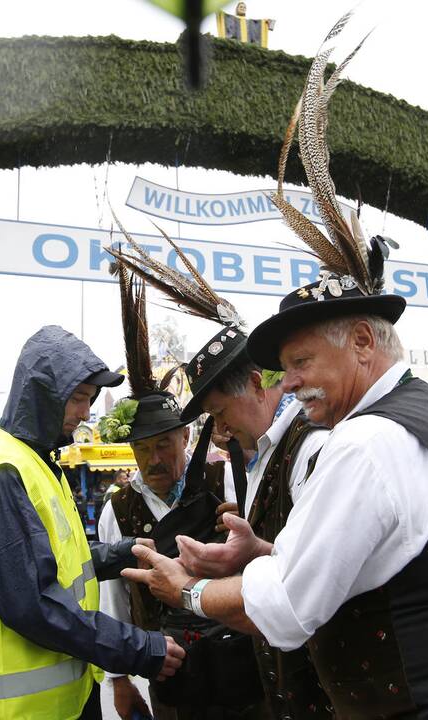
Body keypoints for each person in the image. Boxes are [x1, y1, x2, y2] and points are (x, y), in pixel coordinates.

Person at [124, 25, 428, 714]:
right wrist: (260, 554)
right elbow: (362, 559)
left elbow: (290, 610)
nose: (287, 382)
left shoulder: (367, 440)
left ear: (362, 341)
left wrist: (190, 591)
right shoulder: (419, 412)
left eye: (299, 361)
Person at [109, 223, 332, 717]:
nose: (221, 427)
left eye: (219, 412)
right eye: (141, 448)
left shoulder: (313, 448)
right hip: (194, 679)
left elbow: (303, 591)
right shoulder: (264, 452)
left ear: (256, 383)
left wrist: (191, 590)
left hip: (277, 678)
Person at [0, 325, 184, 720]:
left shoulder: (39, 463)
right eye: (79, 399)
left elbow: (62, 559)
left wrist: (126, 552)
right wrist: (138, 648)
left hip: (58, 704)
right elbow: (33, 604)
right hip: (5, 712)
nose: (86, 413)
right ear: (42, 395)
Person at [96, 263, 256, 720]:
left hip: (239, 654)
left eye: (163, 443)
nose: (152, 459)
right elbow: (116, 599)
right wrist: (120, 678)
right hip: (169, 668)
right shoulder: (118, 509)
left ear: (185, 438)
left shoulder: (225, 480)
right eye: (141, 448)